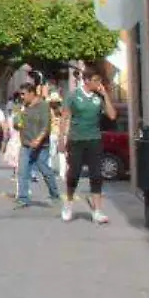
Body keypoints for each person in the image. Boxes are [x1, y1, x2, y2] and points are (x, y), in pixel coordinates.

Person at [61, 69, 117, 225]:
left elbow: (112, 115)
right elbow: (65, 117)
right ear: (86, 81)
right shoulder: (73, 96)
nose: (98, 84)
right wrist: (61, 139)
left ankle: (97, 211)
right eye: (96, 80)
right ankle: (68, 203)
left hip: (94, 139)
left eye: (99, 81)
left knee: (96, 175)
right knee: (74, 173)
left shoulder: (98, 97)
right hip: (76, 139)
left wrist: (105, 95)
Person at [14, 83, 60, 208]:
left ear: (32, 93)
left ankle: (54, 193)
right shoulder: (22, 107)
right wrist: (17, 121)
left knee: (44, 170)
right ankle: (23, 198)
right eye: (20, 94)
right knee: (22, 171)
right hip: (26, 144)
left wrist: (38, 140)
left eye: (23, 94)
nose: (21, 97)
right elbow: (16, 123)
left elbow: (46, 126)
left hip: (41, 146)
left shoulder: (43, 106)